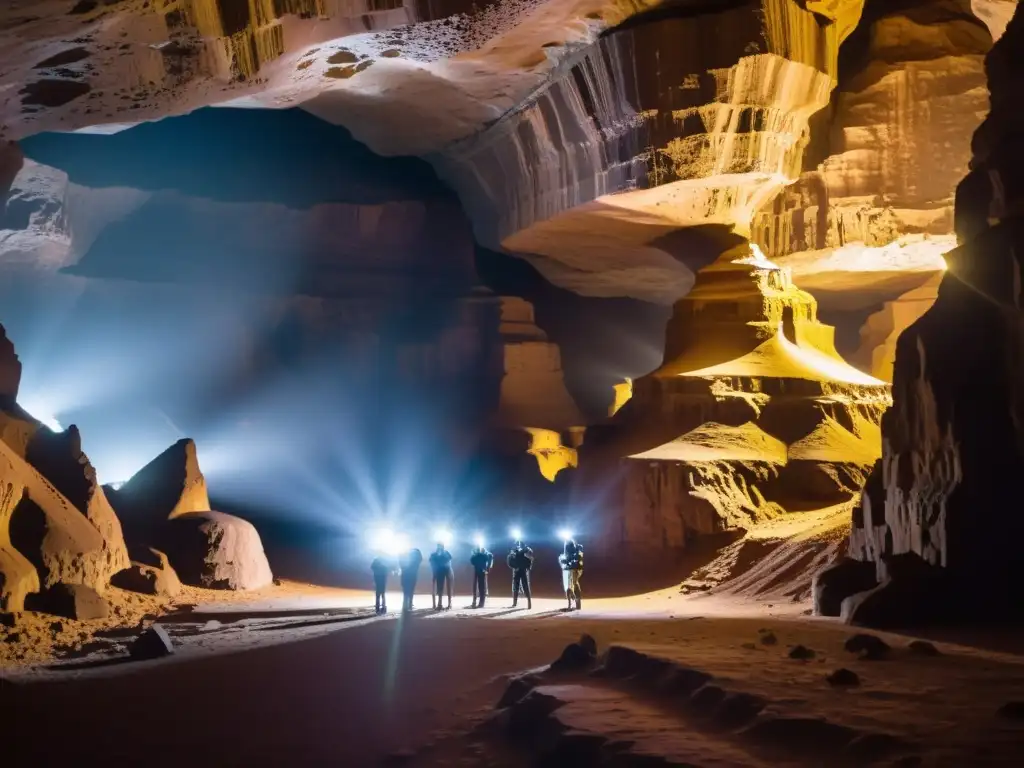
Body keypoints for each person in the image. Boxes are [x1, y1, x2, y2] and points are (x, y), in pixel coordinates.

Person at [507, 538, 534, 609]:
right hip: (517, 570)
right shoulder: (514, 550)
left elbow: (530, 557)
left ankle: (529, 602)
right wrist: (514, 567)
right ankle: (515, 602)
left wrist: (528, 567)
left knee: (525, 586)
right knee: (515, 586)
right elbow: (510, 559)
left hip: (523, 570)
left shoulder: (526, 549)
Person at [558, 537, 584, 611]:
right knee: (568, 586)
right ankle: (571, 602)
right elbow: (562, 560)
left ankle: (577, 601)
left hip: (576, 569)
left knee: (574, 583)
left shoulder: (578, 550)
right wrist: (564, 561)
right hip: (568, 570)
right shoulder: (565, 553)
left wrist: (570, 561)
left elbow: (578, 558)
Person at [428, 541, 454, 611]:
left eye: (441, 546)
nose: (440, 548)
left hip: (448, 570)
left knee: (449, 587)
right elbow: (431, 561)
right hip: (439, 571)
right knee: (440, 588)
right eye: (439, 546)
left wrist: (441, 555)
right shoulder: (434, 554)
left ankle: (449, 603)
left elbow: (449, 559)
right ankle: (439, 604)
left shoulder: (446, 553)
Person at [469, 543, 494, 608]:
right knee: (475, 586)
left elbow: (488, 559)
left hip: (482, 570)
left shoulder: (486, 554)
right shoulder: (476, 554)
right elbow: (472, 561)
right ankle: (474, 601)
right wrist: (475, 554)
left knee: (482, 587)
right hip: (477, 570)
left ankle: (481, 602)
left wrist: (487, 569)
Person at [399, 547, 423, 612]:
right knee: (411, 591)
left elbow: (400, 563)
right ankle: (409, 605)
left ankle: (405, 605)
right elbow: (420, 559)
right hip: (412, 576)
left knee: (405, 591)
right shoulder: (416, 562)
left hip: (405, 576)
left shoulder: (405, 559)